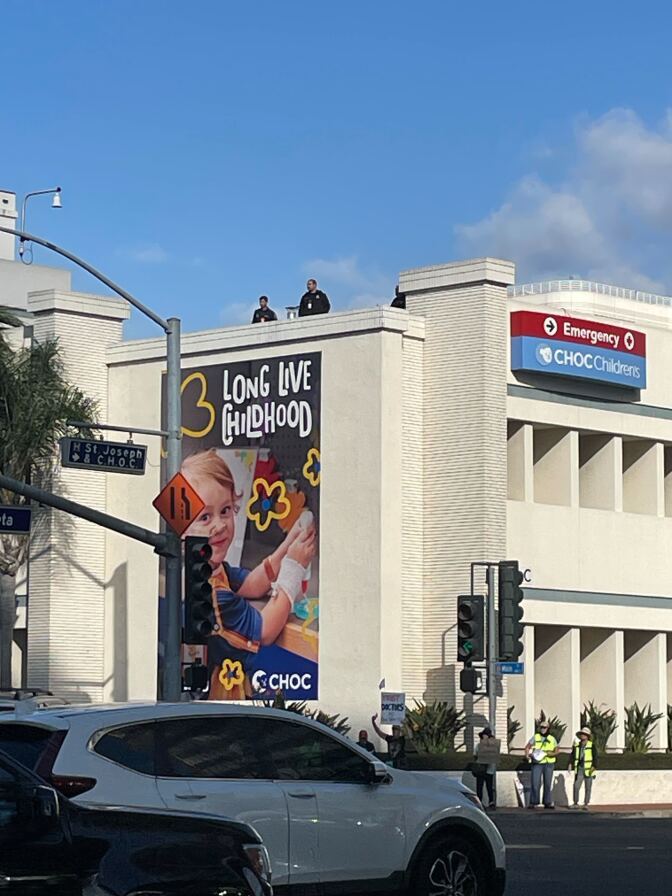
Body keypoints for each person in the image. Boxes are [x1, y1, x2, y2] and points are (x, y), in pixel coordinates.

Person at [181, 448, 316, 699]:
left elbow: (251, 586)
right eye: (205, 517)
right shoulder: (213, 596)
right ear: (182, 528)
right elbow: (265, 631)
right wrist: (294, 568)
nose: (219, 525)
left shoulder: (205, 568)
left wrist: (290, 543)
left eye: (226, 510)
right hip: (223, 698)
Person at [525, 719, 558, 808]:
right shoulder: (536, 737)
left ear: (548, 728)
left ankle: (547, 802)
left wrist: (549, 753)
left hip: (548, 763)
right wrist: (527, 755)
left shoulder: (552, 739)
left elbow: (557, 751)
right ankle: (533, 802)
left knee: (547, 784)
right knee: (535, 783)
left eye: (545, 727)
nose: (543, 729)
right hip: (537, 763)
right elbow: (527, 747)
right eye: (541, 727)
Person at [570, 726, 598, 810]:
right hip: (580, 769)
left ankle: (586, 804)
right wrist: (570, 764)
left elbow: (595, 757)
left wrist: (594, 767)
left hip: (589, 769)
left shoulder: (591, 746)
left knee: (588, 787)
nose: (582, 736)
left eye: (584, 734)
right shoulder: (577, 746)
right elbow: (573, 756)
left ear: (587, 736)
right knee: (576, 786)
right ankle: (575, 803)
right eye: (582, 734)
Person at [473, 727, 497, 809]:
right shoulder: (479, 745)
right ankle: (479, 802)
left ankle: (491, 802)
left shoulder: (492, 745)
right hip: (481, 768)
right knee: (480, 786)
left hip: (489, 769)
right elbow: (475, 755)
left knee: (489, 786)